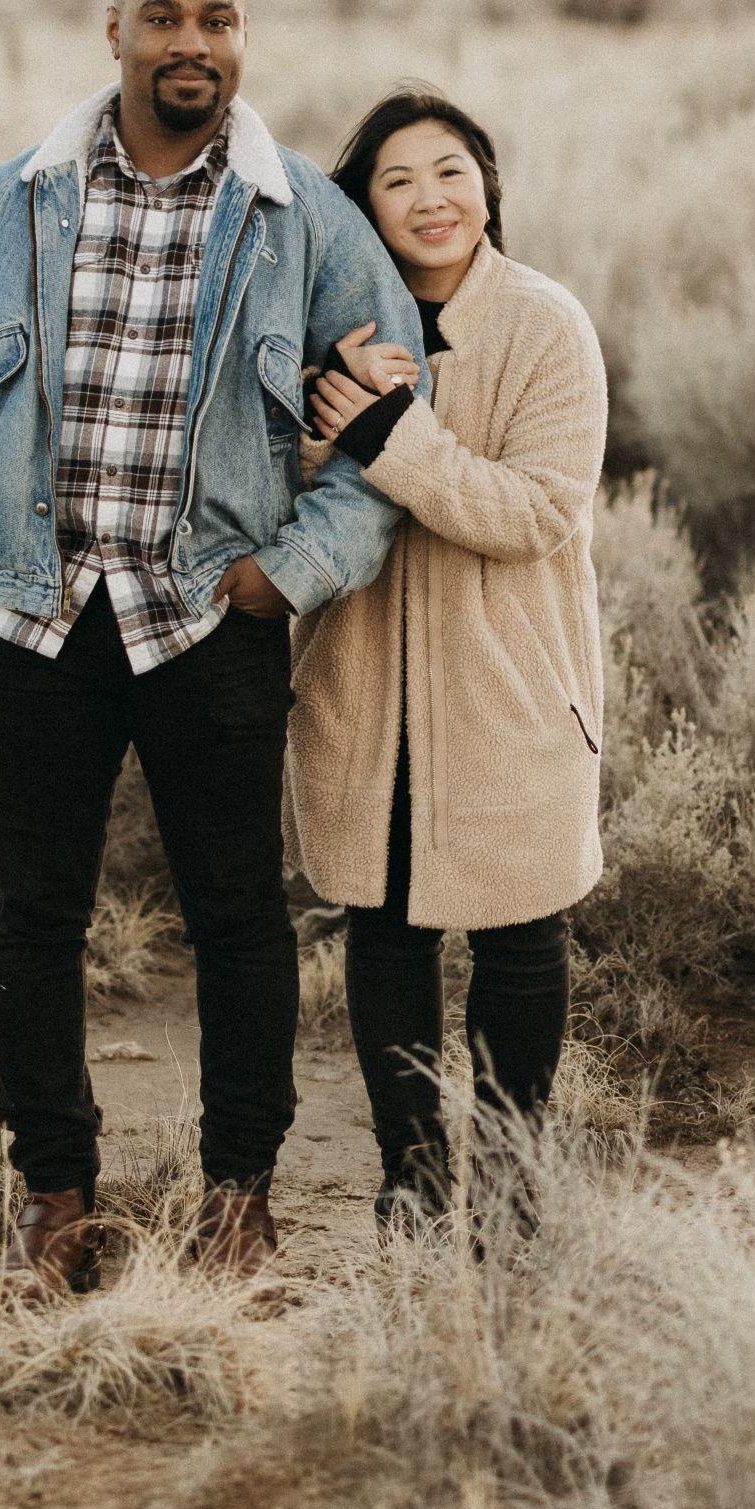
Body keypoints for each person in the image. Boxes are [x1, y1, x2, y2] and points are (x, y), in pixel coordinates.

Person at [0, 0, 421, 1292]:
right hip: (36, 612)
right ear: (114, 30)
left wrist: (290, 569)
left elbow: (394, 425)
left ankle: (239, 1200)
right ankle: (55, 1201)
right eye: (166, 17)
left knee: (237, 918)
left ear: (244, 39)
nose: (193, 42)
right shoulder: (15, 205)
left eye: (219, 20)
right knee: (33, 919)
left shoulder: (301, 219)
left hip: (208, 618)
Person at [287, 87, 610, 1234]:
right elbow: (273, 485)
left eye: (451, 171)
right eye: (397, 179)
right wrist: (318, 426)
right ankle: (413, 1179)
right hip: (364, 682)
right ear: (361, 207)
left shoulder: (545, 324)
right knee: (385, 929)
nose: (429, 198)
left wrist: (388, 434)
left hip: (510, 685)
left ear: (486, 187)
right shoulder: (326, 334)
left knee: (520, 935)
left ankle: (514, 1188)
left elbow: (536, 511)